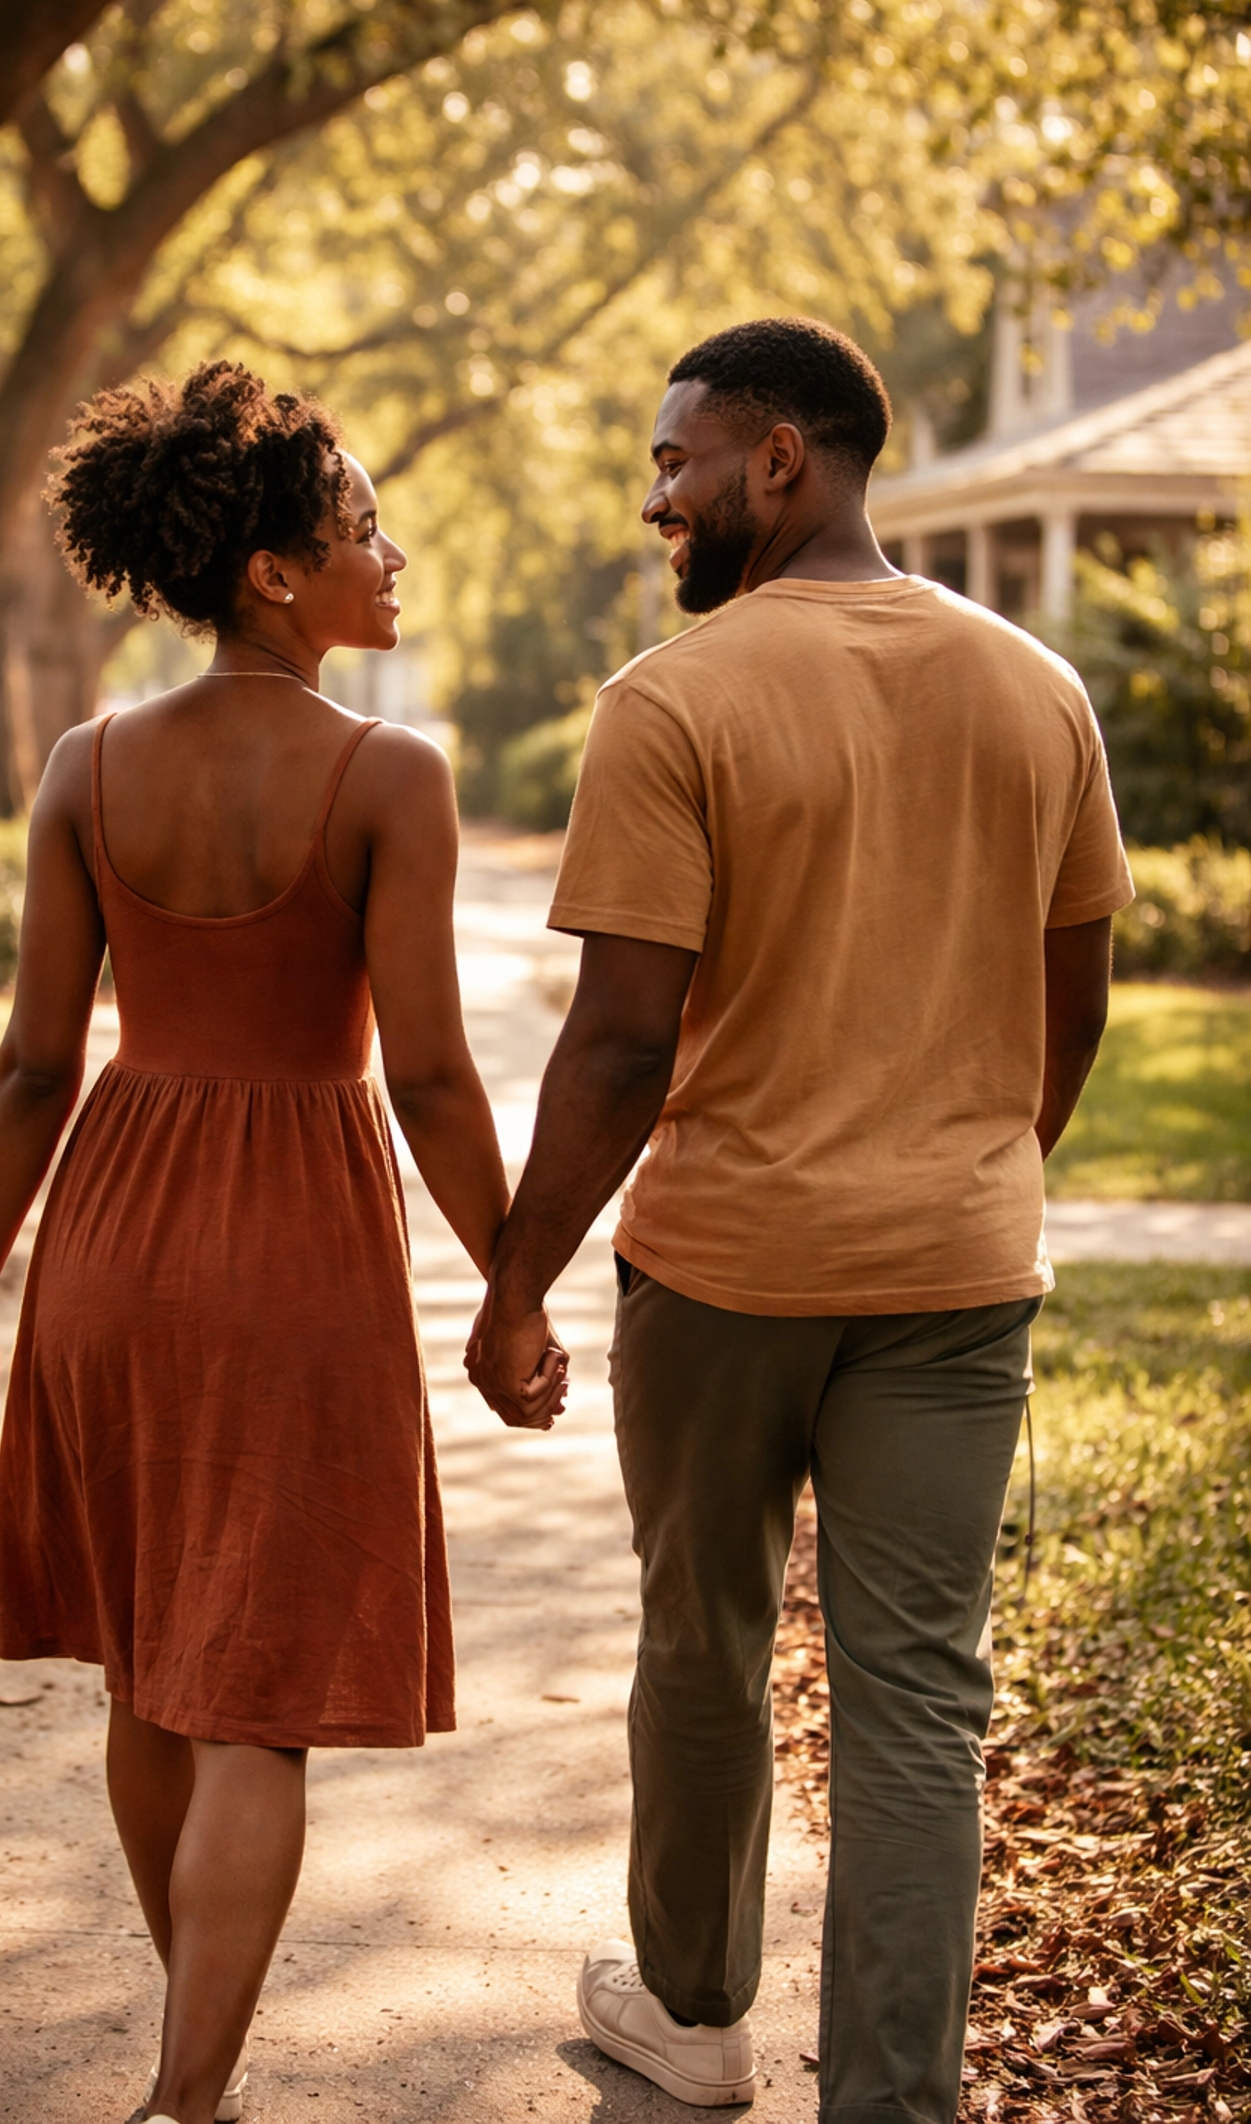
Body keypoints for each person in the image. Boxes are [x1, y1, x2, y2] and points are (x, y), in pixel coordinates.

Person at [467, 317, 1133, 2118]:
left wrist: (513, 1283)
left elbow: (616, 1049)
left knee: (705, 1640)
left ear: (783, 459)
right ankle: (893, 2102)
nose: (658, 500)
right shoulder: (1035, 688)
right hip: (957, 1274)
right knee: (922, 1701)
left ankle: (689, 2017)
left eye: (678, 462)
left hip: (729, 1267)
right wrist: (983, 1154)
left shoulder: (671, 703)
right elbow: (1072, 1000)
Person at [0, 362, 565, 2124]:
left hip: (113, 1234)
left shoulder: (84, 765)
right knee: (258, 1694)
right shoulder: (387, 776)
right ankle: (188, 2102)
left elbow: (37, 1062)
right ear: (274, 572)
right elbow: (429, 1074)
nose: (392, 552)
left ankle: (189, 2067)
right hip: (295, 1235)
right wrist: (510, 1285)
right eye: (363, 525)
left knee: (151, 1662)